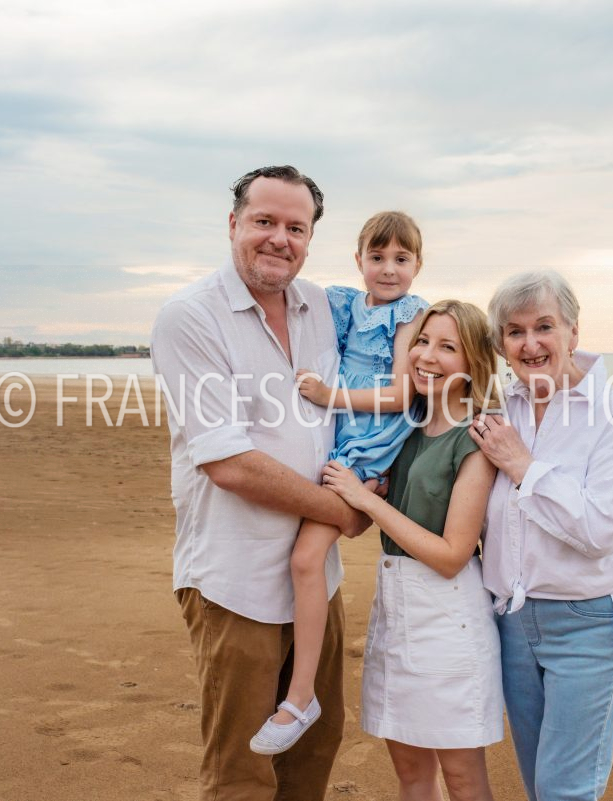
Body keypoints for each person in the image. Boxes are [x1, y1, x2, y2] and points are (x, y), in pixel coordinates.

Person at [150, 165, 372, 801]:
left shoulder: (323, 308)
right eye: (264, 221)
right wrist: (343, 511)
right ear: (233, 224)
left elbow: (400, 341)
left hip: (317, 578)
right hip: (234, 580)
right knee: (241, 771)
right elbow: (229, 463)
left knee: (313, 751)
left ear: (310, 239)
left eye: (296, 228)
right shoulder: (191, 316)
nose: (280, 238)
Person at [250, 211, 429, 754]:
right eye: (377, 257)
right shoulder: (346, 302)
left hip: (367, 444)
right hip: (336, 438)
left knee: (307, 559)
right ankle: (300, 688)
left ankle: (301, 696)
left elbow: (403, 394)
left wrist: (331, 397)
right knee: (304, 559)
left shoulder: (409, 314)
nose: (388, 269)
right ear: (358, 260)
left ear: (418, 265)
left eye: (401, 259)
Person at [469, 271, 613, 801]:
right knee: (538, 784)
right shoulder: (499, 408)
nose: (531, 344)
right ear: (501, 345)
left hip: (587, 621)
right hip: (510, 622)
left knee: (564, 790)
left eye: (544, 327)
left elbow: (601, 530)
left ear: (573, 330)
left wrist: (524, 466)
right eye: (515, 331)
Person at [323, 300, 504, 801]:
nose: (426, 355)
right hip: (393, 607)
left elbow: (452, 555)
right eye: (422, 341)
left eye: (447, 347)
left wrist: (366, 499)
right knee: (411, 774)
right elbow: (364, 519)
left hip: (449, 620)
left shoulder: (476, 437)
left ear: (473, 362)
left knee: (463, 778)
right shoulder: (403, 426)